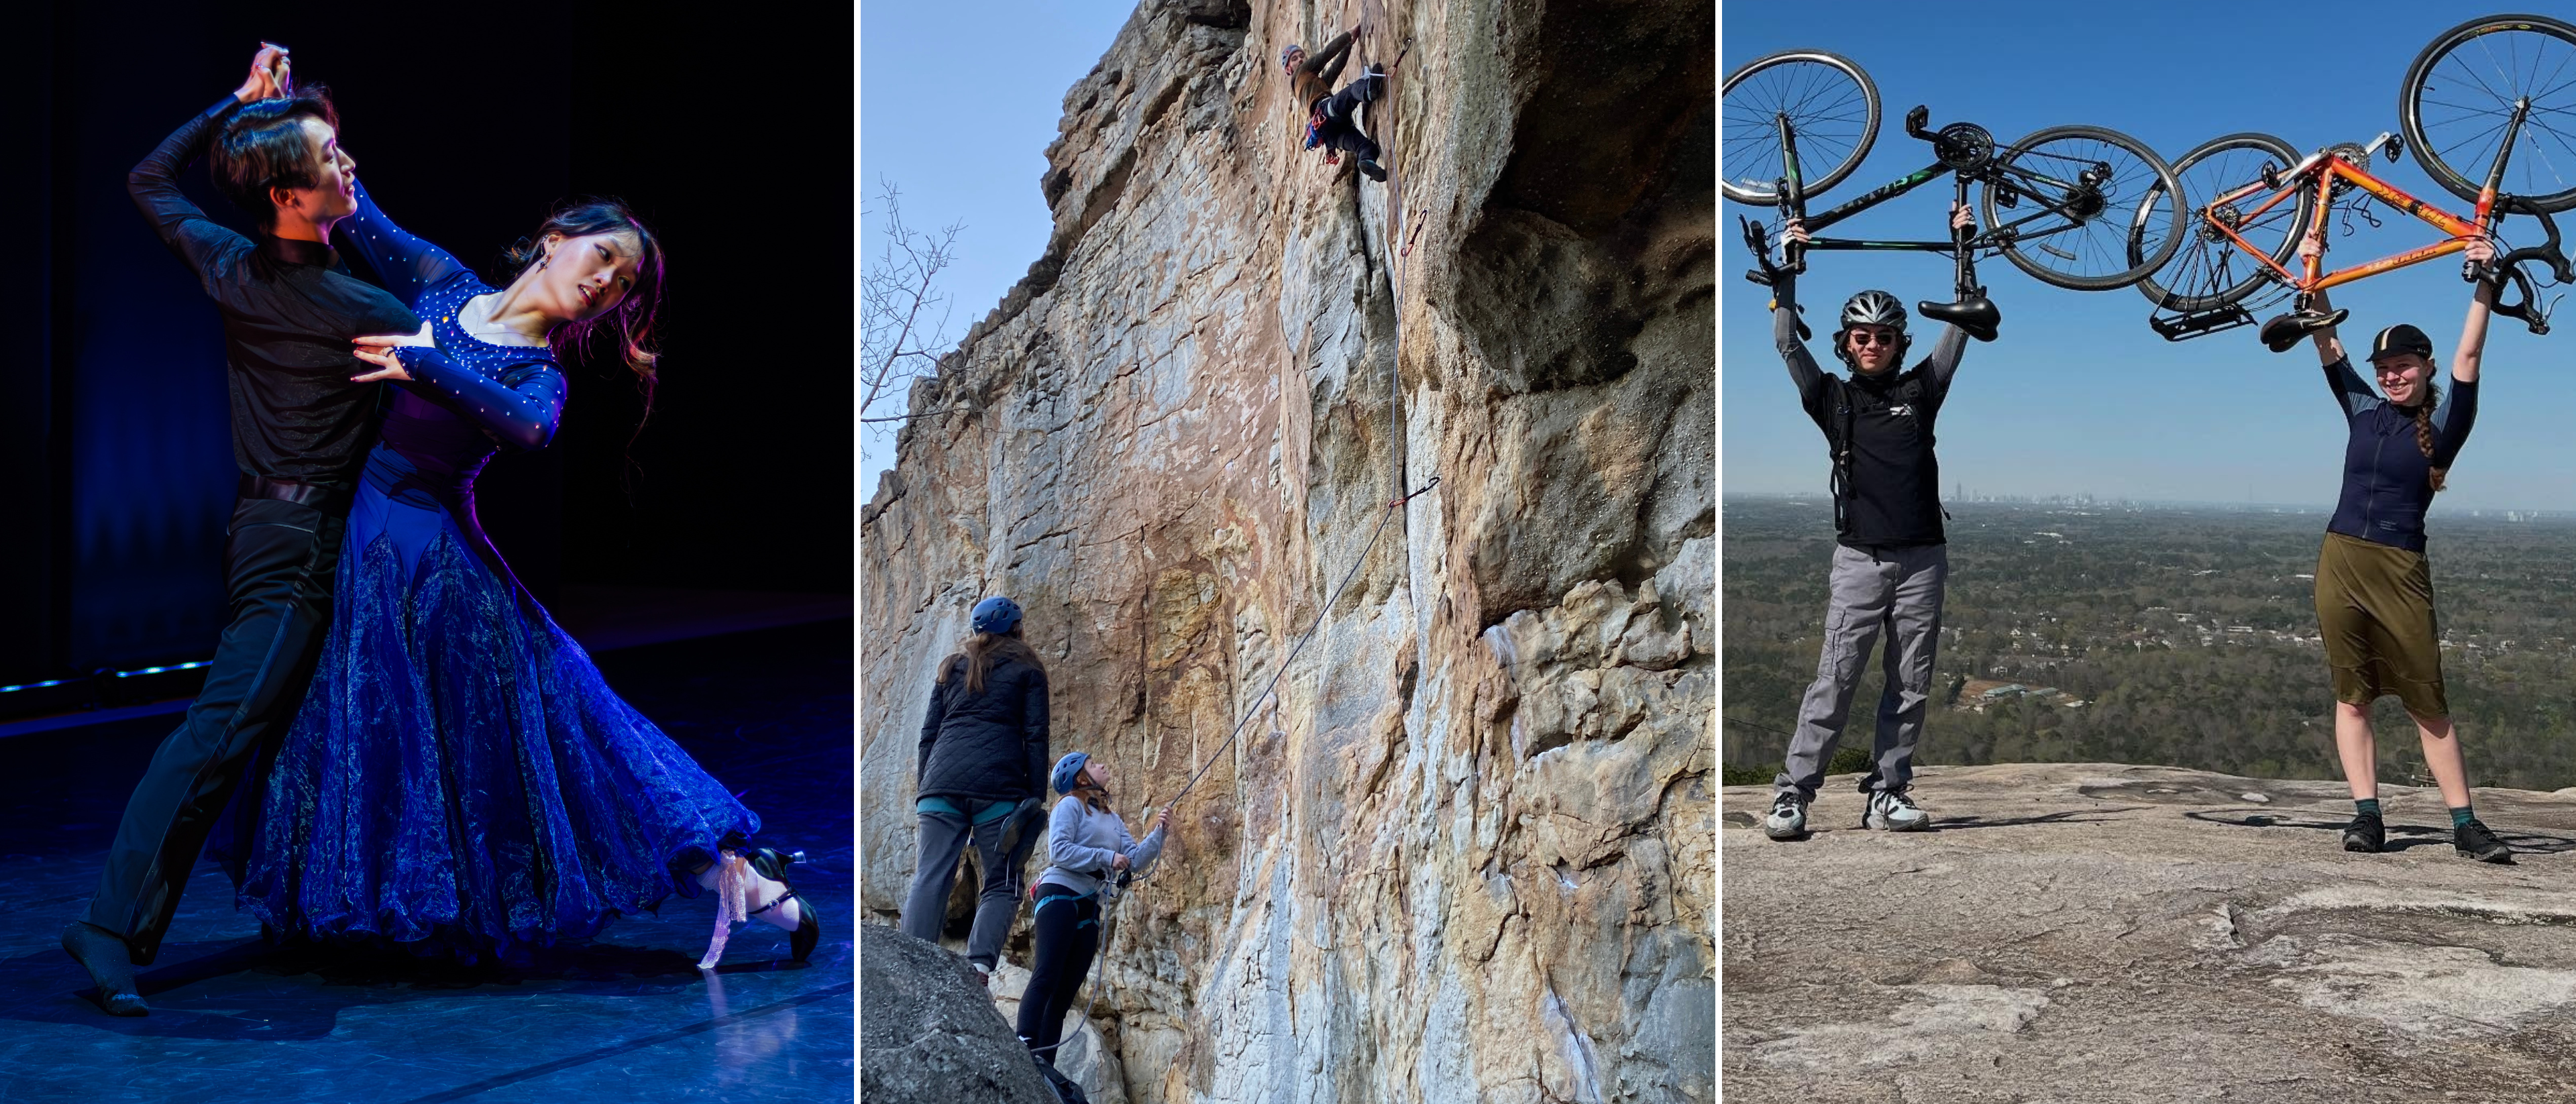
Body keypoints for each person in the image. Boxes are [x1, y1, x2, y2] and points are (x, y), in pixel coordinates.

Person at [207, 49, 820, 967]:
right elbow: (355, 206)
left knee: (566, 733)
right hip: (370, 539)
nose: (606, 283)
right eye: (603, 258)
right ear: (555, 237)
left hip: (441, 564)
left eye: (621, 287)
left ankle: (748, 883)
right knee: (371, 731)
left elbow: (529, 431)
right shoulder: (445, 284)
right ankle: (354, 912)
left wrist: (426, 364)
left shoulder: (536, 371)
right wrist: (283, 105)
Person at [60, 44, 425, 1017]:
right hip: (296, 545)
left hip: (271, 527)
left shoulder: (230, 262)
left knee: (277, 728)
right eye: (329, 157)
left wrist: (240, 101)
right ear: (289, 199)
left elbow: (148, 176)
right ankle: (107, 924)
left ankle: (298, 905)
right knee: (220, 731)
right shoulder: (361, 307)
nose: (349, 165)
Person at [1762, 205, 1976, 842]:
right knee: (1836, 679)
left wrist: (1963, 245)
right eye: (1862, 336)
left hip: (1922, 559)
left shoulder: (1922, 390)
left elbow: (1960, 330)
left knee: (1910, 684)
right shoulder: (1834, 399)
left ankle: (1888, 793)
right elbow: (1784, 342)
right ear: (1846, 343)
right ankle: (1793, 796)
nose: (1873, 345)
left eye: (1884, 336)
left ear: (1899, 342)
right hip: (1860, 560)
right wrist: (1788, 272)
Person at [2297, 231, 2510, 863]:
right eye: (2385, 367)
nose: (2391, 375)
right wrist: (2313, 260)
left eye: (2404, 367)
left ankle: (2466, 825)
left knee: (2427, 700)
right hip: (2339, 561)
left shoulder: (2446, 425)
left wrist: (2484, 281)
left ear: (2426, 368)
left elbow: (2470, 354)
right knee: (2352, 694)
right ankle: (2367, 816)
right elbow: (2325, 339)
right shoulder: (2362, 409)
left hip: (2399, 568)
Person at [900, 596, 1053, 985]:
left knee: (931, 874)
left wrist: (926, 787)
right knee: (1003, 880)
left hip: (940, 785)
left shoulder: (951, 668)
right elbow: (1035, 737)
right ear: (1017, 628)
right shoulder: (1027, 669)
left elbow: (928, 736)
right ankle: (978, 969)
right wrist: (1036, 797)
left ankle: (910, 963)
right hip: (997, 789)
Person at [1017, 752, 1170, 1068]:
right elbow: (1058, 849)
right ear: (1081, 778)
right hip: (1060, 893)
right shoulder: (1070, 806)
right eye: (1093, 765)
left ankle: (1044, 1065)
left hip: (1089, 905)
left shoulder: (1112, 819)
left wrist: (1159, 833)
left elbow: (1135, 859)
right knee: (1047, 974)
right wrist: (1105, 858)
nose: (1101, 765)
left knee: (1064, 994)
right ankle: (1024, 1045)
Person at [1281, 27, 1388, 182]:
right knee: (1352, 91)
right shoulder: (1302, 72)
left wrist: (1349, 46)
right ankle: (1368, 91)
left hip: (1330, 135)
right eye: (1295, 58)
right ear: (1289, 69)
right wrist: (1348, 36)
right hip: (1326, 113)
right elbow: (1326, 55)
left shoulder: (1306, 87)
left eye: (1302, 56)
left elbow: (1335, 70)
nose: (1300, 60)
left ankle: (1366, 161)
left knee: (1365, 147)